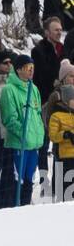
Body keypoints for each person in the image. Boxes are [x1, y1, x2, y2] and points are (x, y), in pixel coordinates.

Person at [0, 52, 43, 204]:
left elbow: (37, 115)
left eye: (32, 67)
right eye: (27, 67)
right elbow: (9, 119)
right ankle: (14, 210)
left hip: (33, 145)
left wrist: (38, 135)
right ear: (18, 69)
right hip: (19, 144)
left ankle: (25, 208)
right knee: (18, 181)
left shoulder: (34, 89)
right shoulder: (9, 90)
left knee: (29, 180)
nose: (31, 70)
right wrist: (24, 134)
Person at [47, 73, 74, 202]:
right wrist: (66, 134)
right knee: (65, 184)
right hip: (64, 155)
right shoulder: (57, 115)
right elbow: (52, 134)